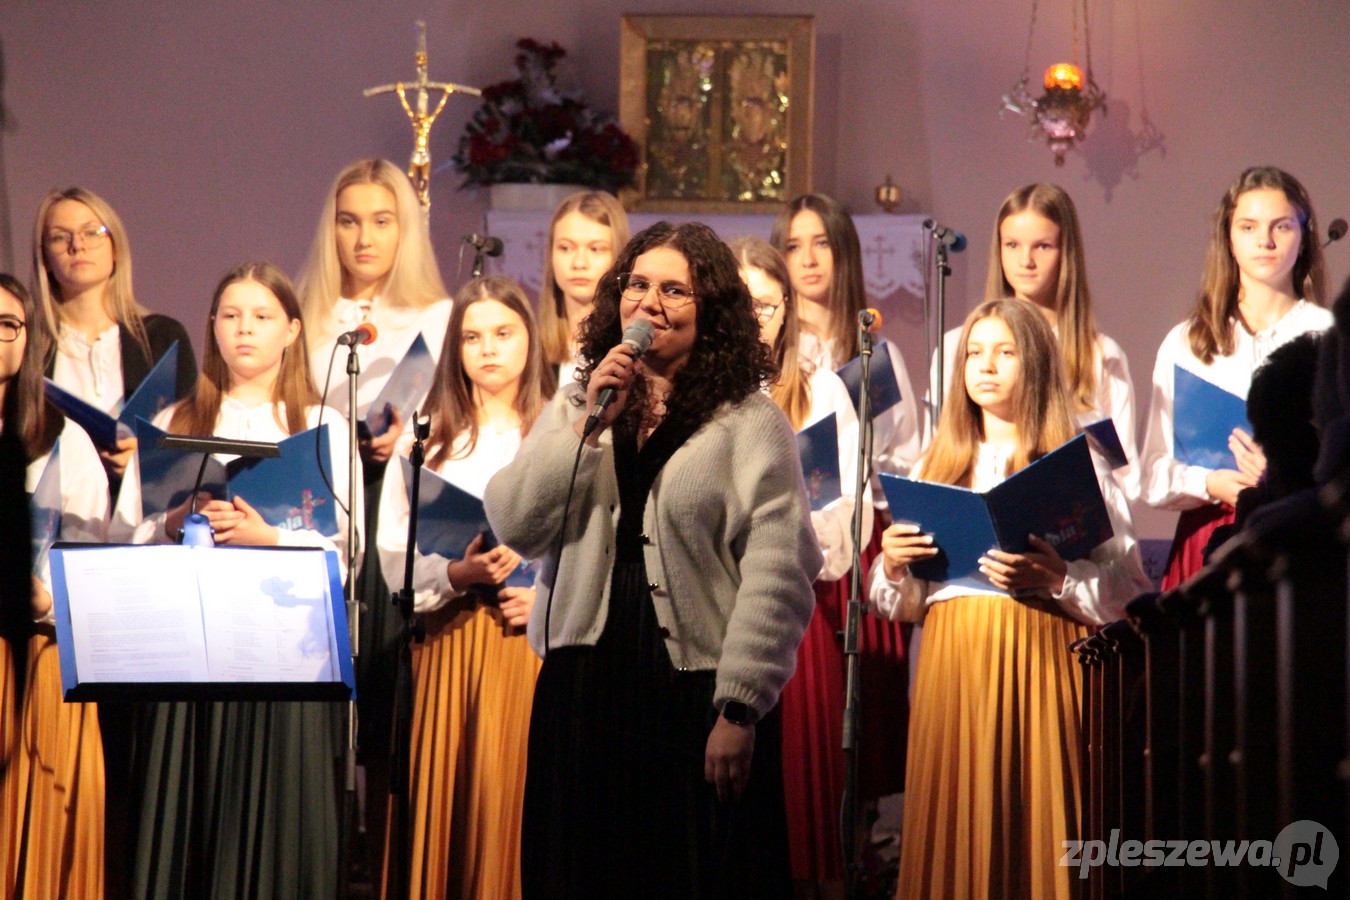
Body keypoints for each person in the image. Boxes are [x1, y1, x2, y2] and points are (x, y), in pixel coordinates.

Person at [483, 221, 821, 895]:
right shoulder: (582, 400)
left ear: (713, 310)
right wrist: (585, 428)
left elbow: (779, 569)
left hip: (694, 691)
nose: (650, 303)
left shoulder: (749, 421)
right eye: (638, 285)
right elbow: (518, 523)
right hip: (586, 683)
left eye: (675, 290)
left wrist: (740, 707)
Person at [871, 299, 1150, 900]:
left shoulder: (1079, 465)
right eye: (974, 352)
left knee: (1039, 817)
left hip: (1045, 658)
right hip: (955, 665)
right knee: (960, 815)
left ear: (1038, 365)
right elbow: (899, 601)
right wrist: (893, 562)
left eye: (1005, 352)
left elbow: (1129, 589)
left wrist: (1059, 579)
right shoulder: (938, 462)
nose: (985, 366)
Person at [116, 262, 359, 899]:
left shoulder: (322, 424)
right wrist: (172, 521)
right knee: (190, 813)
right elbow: (125, 535)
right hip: (191, 650)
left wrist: (270, 538)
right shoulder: (176, 420)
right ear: (213, 329)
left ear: (291, 331)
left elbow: (350, 550)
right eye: (230, 315)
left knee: (279, 813)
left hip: (283, 650)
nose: (243, 329)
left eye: (261, 316)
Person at [376, 276, 555, 898]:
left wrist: (547, 601)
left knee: (514, 802)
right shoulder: (428, 437)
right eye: (473, 337)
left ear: (530, 340)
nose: (488, 350)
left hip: (530, 645)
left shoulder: (560, 434)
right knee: (448, 798)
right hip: (448, 643)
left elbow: (597, 543)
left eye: (504, 334)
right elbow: (392, 554)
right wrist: (458, 573)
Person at [295, 157, 452, 858]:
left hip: (395, 495)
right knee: (326, 673)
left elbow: (461, 412)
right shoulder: (306, 312)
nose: (364, 237)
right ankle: (321, 839)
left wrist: (412, 432)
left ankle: (386, 850)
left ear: (406, 230)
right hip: (324, 497)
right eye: (349, 220)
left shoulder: (438, 316)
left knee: (385, 673)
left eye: (382, 221)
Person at [771, 192, 918, 881]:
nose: (806, 258)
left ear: (843, 253)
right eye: (794, 245)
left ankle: (858, 849)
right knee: (805, 717)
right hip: (790, 544)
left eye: (820, 244)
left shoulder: (872, 353)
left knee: (862, 721)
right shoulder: (770, 349)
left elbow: (906, 455)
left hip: (861, 545)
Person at [732, 235, 863, 896]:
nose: (755, 316)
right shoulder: (694, 389)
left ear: (787, 309)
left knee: (797, 816)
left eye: (766, 303)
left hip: (789, 614)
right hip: (708, 612)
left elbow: (838, 532)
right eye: (740, 301)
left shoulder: (819, 394)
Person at [1141, 166, 1330, 588]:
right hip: (1208, 533)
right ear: (1228, 237)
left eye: (1281, 226)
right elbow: (1151, 473)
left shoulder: (1328, 334)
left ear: (1304, 235)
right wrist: (1208, 481)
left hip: (1300, 535)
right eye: (1249, 227)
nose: (1265, 241)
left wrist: (1285, 472)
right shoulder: (1188, 341)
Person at [0, 273, 109, 899]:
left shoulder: (63, 443)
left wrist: (46, 599)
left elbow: (98, 568)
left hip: (42, 660)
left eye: (8, 324)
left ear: (28, 339)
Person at [931, 184, 1139, 500]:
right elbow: (939, 456)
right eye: (1012, 245)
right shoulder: (958, 347)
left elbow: (1125, 478)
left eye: (1042, 246)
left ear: (1065, 252)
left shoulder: (1100, 355)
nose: (1025, 260)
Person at [32, 187, 198, 485]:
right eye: (59, 237)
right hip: (55, 522)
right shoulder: (28, 349)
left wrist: (144, 458)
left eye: (92, 232)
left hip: (144, 522)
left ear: (116, 247)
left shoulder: (162, 338)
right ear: (44, 256)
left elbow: (194, 445)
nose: (77, 246)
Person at [538, 190, 630, 386]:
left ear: (620, 257)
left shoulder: (631, 353)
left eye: (596, 249)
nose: (579, 263)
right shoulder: (530, 351)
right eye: (566, 248)